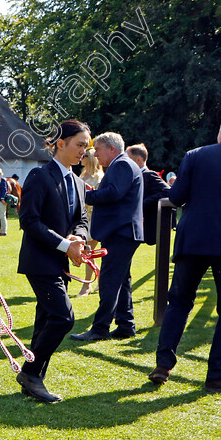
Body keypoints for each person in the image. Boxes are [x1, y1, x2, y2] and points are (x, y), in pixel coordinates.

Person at [149, 106, 221, 392]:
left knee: (178, 302)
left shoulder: (196, 155)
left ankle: (163, 365)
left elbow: (175, 198)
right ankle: (218, 373)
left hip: (194, 241)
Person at [17, 120, 90, 402]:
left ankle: (33, 380)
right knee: (63, 317)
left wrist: (79, 239)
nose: (84, 151)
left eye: (86, 146)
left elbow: (82, 220)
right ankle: (31, 373)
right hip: (40, 261)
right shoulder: (39, 176)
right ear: (61, 143)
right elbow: (29, 221)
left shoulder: (79, 182)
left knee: (47, 318)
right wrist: (65, 244)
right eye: (79, 144)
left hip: (60, 263)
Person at [70, 132, 144, 341]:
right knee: (122, 281)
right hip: (124, 232)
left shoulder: (121, 165)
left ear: (112, 149)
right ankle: (125, 325)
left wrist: (86, 195)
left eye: (98, 149)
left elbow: (113, 193)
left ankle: (100, 329)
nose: (95, 154)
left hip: (121, 232)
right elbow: (115, 192)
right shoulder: (125, 165)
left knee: (110, 281)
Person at [126, 143, 170, 246]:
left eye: (128, 159)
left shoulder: (149, 175)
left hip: (147, 226)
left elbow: (167, 191)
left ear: (138, 160)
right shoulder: (133, 176)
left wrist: (142, 204)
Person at [77, 148, 104, 296]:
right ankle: (99, 277)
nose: (81, 156)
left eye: (85, 155)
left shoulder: (98, 178)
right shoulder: (82, 175)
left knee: (89, 252)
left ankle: (86, 285)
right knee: (87, 252)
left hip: (93, 218)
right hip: (81, 218)